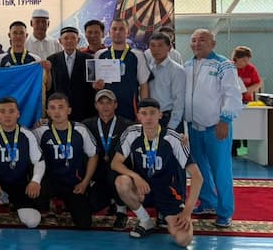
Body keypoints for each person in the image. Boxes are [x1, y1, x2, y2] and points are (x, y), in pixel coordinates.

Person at [111, 98, 203, 247]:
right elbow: (115, 163)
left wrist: (187, 212)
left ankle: (164, 214)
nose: (148, 117)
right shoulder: (131, 133)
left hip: (168, 192)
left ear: (160, 115)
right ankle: (145, 221)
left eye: (152, 113)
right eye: (144, 113)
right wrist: (136, 177)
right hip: (144, 188)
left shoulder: (173, 138)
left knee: (183, 239)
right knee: (121, 182)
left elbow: (197, 177)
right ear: (138, 116)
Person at [184, 29, 242, 228]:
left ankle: (225, 211)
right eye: (193, 40)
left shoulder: (224, 65)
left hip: (216, 126)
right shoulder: (188, 65)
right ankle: (208, 202)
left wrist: (225, 119)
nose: (197, 43)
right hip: (194, 127)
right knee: (199, 170)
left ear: (213, 43)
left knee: (221, 170)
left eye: (202, 40)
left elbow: (232, 94)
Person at [0, 97, 45, 228]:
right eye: (3, 111)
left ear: (18, 114)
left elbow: (39, 161)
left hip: (20, 185)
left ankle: (9, 201)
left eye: (11, 111)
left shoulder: (27, 134)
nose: (7, 115)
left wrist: (35, 181)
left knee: (33, 222)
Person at [32, 93, 98, 229]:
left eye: (61, 107)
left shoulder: (80, 129)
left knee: (84, 224)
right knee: (35, 199)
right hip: (49, 181)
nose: (57, 112)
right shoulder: (40, 130)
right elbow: (27, 150)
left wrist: (85, 182)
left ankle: (64, 203)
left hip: (73, 183)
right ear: (47, 112)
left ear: (69, 110)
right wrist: (34, 181)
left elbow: (93, 155)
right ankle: (50, 203)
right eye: (52, 108)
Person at [82, 89, 133, 230]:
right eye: (101, 103)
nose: (105, 106)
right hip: (98, 174)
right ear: (96, 105)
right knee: (91, 206)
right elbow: (66, 127)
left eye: (109, 102)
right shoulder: (86, 125)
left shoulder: (127, 125)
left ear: (115, 105)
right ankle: (111, 201)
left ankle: (121, 211)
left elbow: (148, 131)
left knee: (113, 176)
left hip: (118, 172)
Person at [93, 18, 150, 121]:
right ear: (109, 32)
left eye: (121, 29)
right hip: (106, 109)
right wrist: (96, 86)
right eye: (114, 29)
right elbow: (95, 84)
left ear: (128, 32)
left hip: (130, 109)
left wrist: (143, 111)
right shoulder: (100, 55)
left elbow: (144, 85)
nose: (117, 32)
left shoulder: (137, 55)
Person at [46, 26, 96, 121]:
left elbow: (92, 86)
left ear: (78, 40)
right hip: (59, 110)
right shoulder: (52, 60)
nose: (69, 41)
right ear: (60, 41)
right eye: (66, 38)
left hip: (83, 110)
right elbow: (50, 88)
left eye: (73, 38)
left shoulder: (89, 59)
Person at [147, 32, 186, 131]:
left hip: (169, 119)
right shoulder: (148, 68)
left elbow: (179, 100)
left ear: (169, 48)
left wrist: (172, 126)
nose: (156, 49)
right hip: (151, 118)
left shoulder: (177, 70)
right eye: (153, 46)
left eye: (160, 45)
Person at [231, 46, 262, 156]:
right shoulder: (229, 68)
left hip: (246, 101)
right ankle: (233, 148)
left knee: (248, 125)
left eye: (248, 60)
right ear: (236, 58)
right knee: (234, 126)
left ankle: (249, 147)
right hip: (232, 102)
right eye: (244, 60)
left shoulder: (251, 69)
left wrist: (248, 90)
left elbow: (257, 83)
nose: (246, 63)